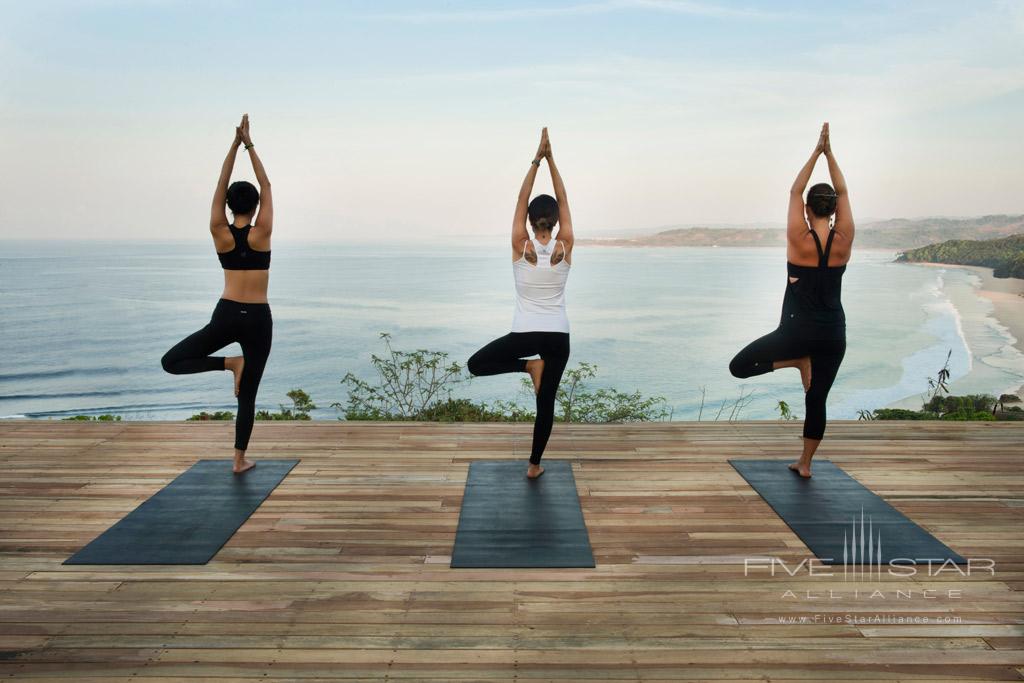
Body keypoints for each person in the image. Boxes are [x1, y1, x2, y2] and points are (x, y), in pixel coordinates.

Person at [728, 122, 854, 478]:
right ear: (833, 211)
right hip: (833, 333)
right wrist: (831, 154)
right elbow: (843, 191)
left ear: (807, 210)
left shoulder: (798, 237)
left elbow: (794, 190)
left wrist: (816, 151)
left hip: (796, 333)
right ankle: (806, 464)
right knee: (817, 400)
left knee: (739, 367)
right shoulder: (844, 239)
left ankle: (796, 362)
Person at [161, 114, 273, 474]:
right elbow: (267, 185)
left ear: (228, 206)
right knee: (249, 395)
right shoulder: (263, 233)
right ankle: (239, 460)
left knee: (171, 362)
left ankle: (228, 364)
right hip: (257, 318)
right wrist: (250, 144)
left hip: (226, 315)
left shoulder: (218, 231)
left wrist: (233, 144)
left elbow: (221, 182)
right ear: (255, 207)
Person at [467, 128, 574, 479]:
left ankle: (527, 366)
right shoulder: (565, 245)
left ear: (530, 221)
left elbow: (520, 197)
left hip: (525, 334)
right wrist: (552, 160)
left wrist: (536, 159)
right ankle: (534, 466)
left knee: (476, 364)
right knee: (546, 403)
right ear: (556, 221)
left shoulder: (520, 245)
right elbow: (563, 196)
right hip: (558, 336)